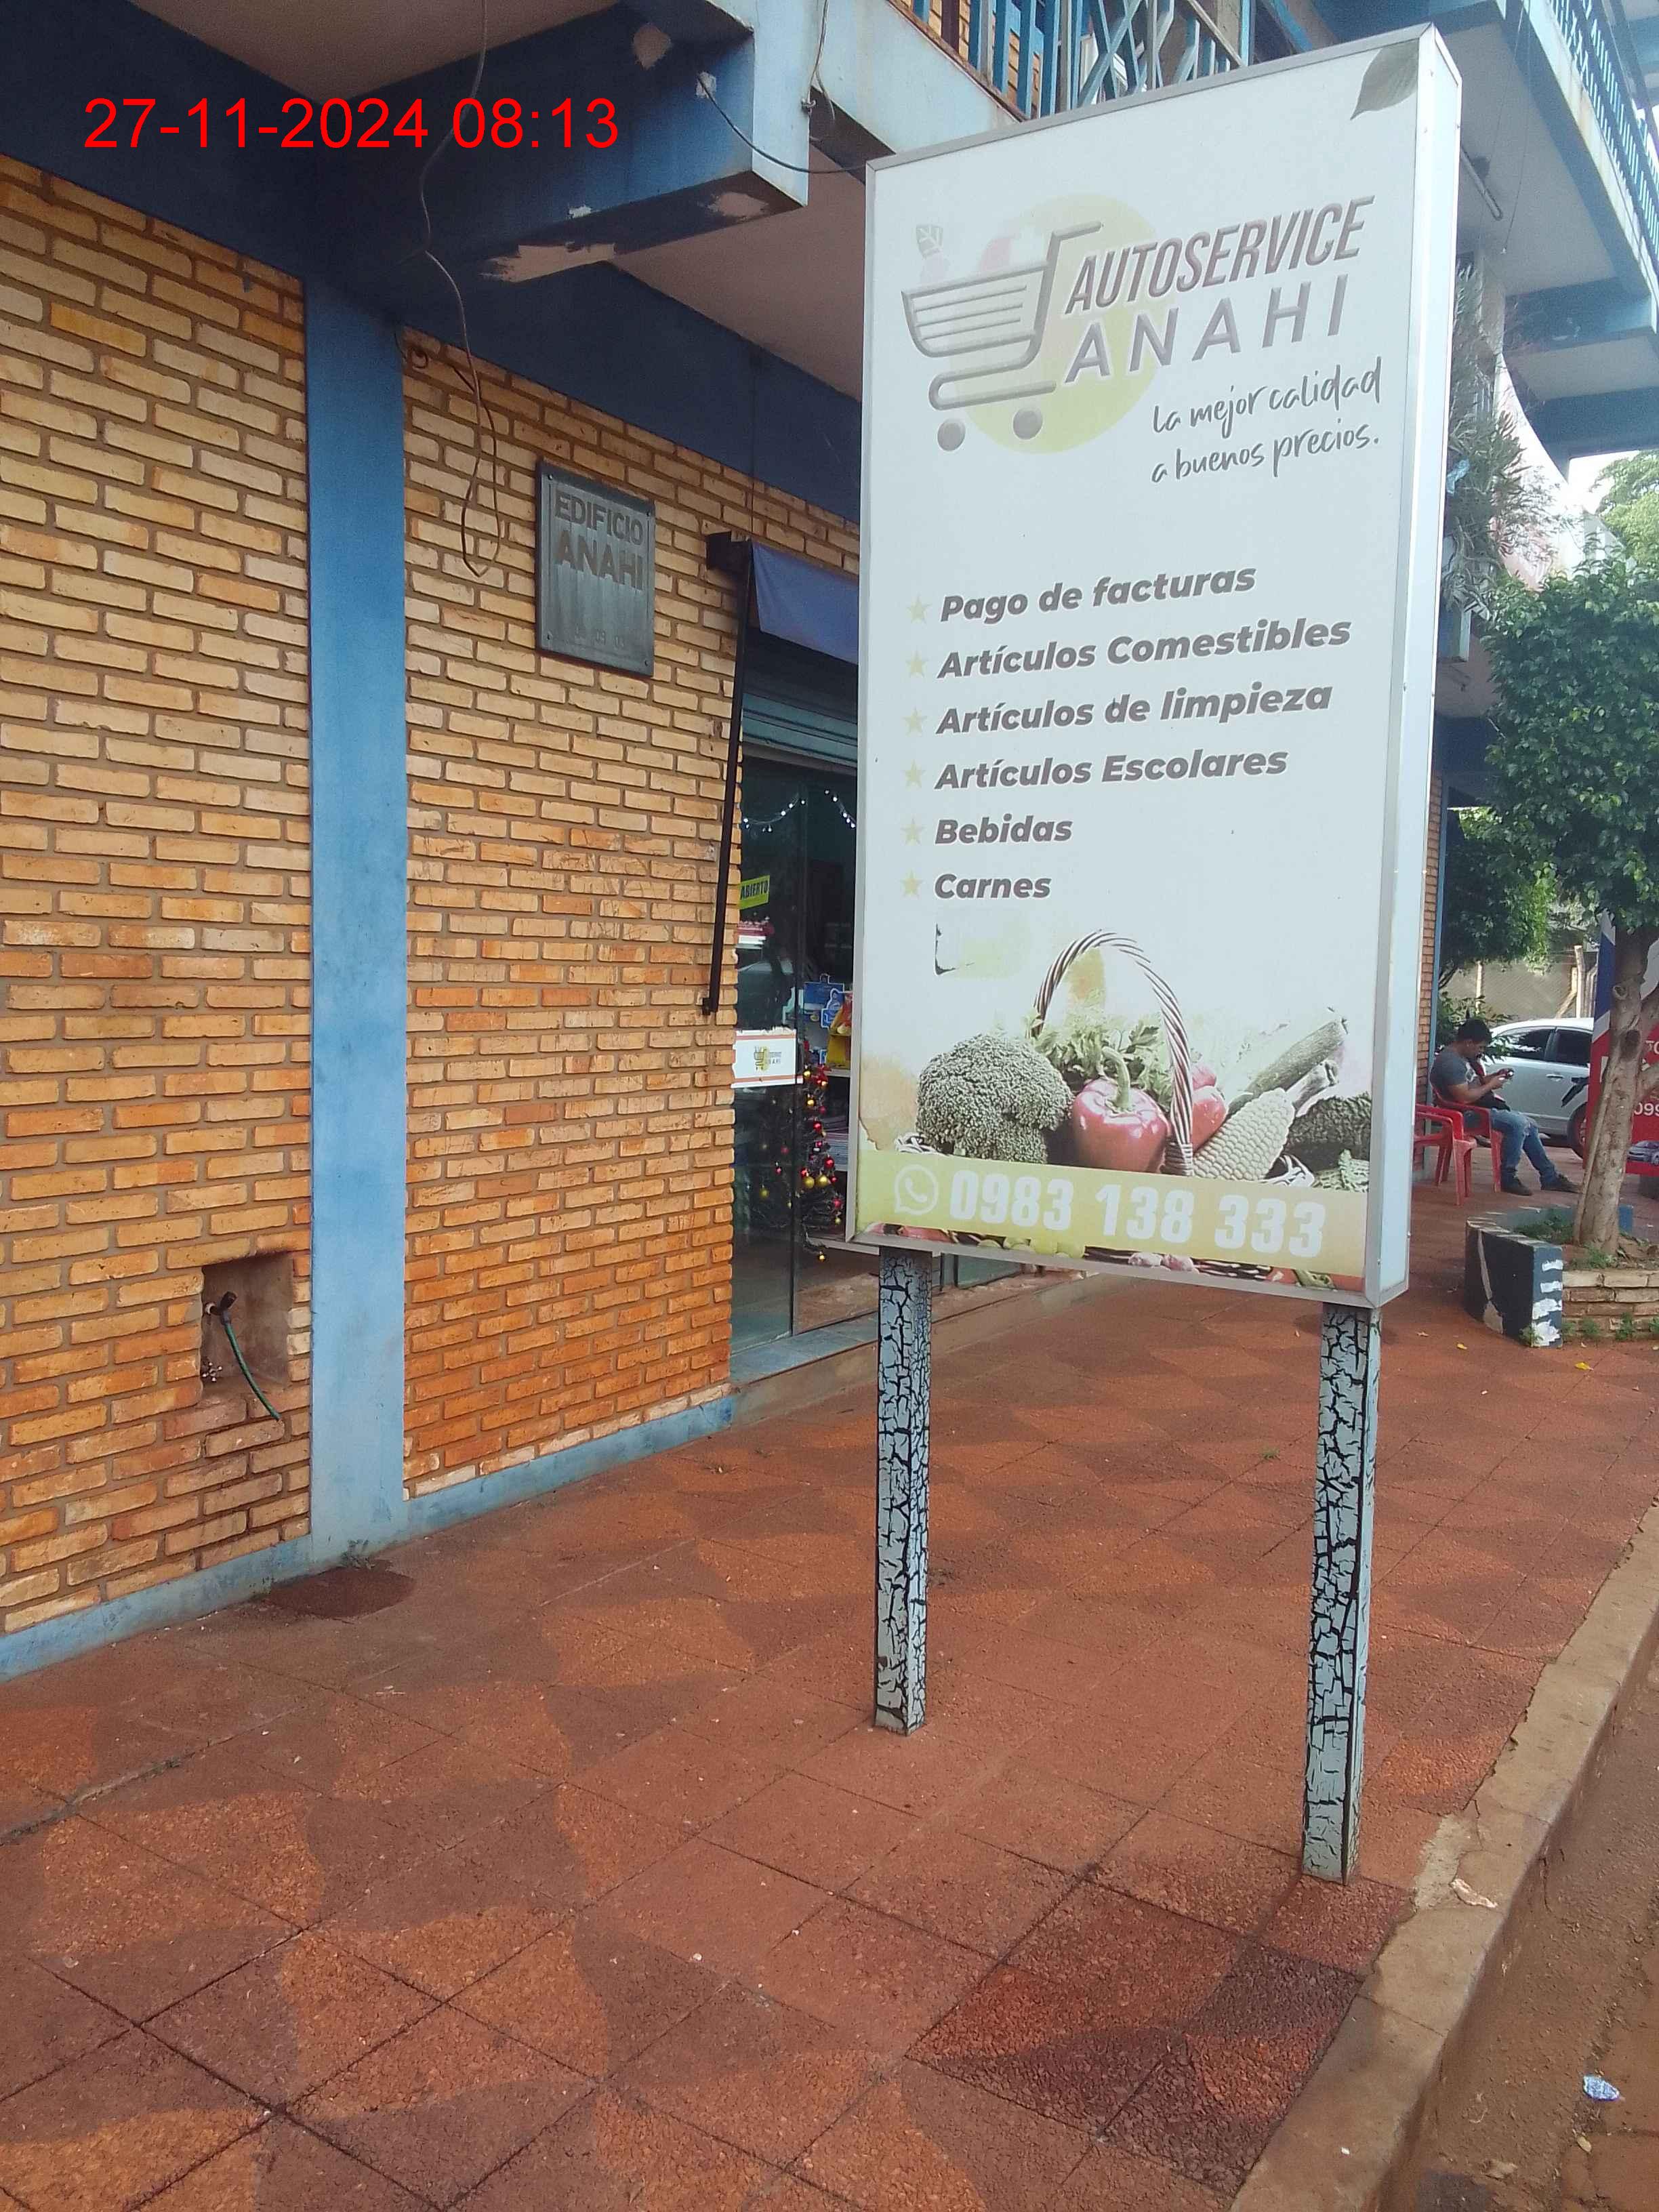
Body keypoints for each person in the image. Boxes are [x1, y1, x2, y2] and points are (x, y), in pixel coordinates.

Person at [1431, 1018, 1576, 1197]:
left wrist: (1493, 1077)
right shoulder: (1450, 1063)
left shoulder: (1462, 1058)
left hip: (1476, 1108)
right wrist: (1491, 1085)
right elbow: (1464, 1097)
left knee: (1530, 1125)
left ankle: (1550, 1177)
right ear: (1468, 1042)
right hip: (1465, 1114)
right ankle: (1508, 1177)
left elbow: (1472, 1083)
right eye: (1480, 1047)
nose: (1481, 1051)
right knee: (1518, 1124)